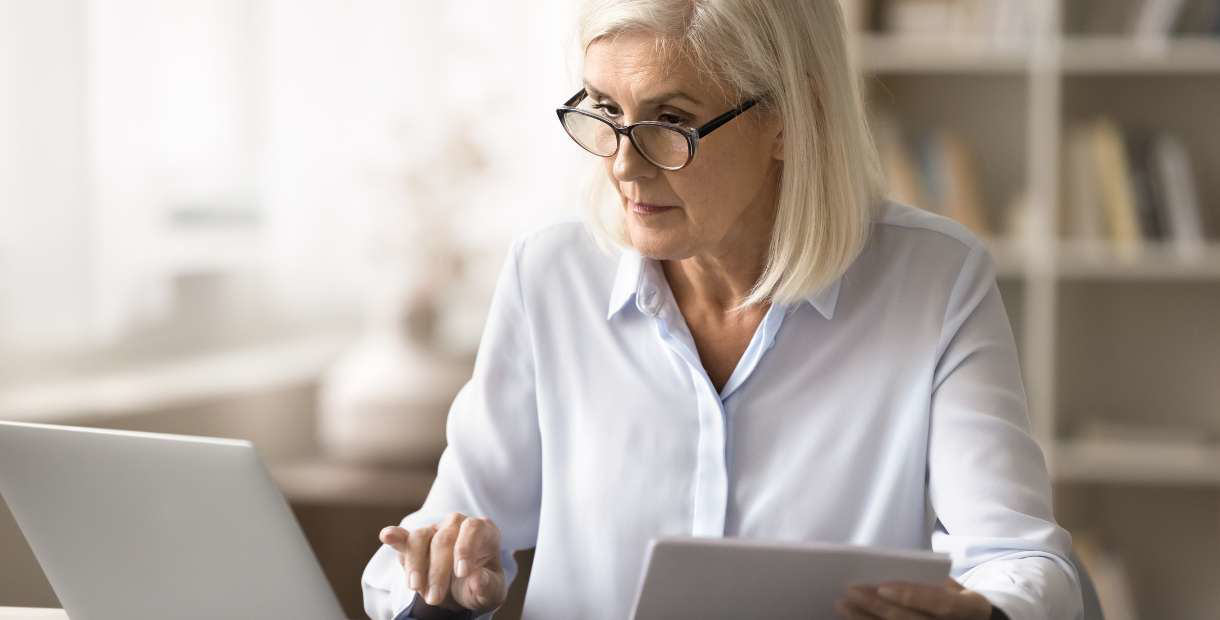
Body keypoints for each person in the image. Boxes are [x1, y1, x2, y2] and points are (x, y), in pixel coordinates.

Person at [361, 1, 1083, 619]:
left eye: (670, 120)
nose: (623, 164)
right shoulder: (549, 274)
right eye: (606, 111)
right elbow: (428, 549)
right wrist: (444, 580)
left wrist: (984, 612)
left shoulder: (935, 281)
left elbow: (1022, 559)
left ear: (791, 118)